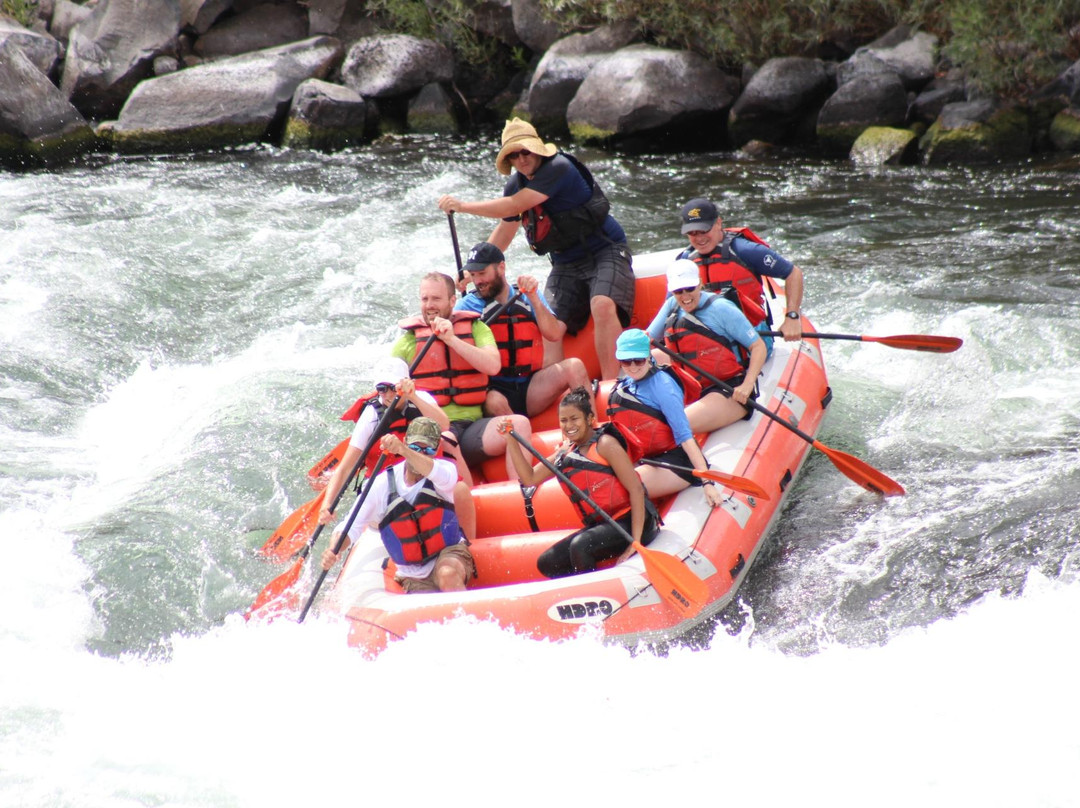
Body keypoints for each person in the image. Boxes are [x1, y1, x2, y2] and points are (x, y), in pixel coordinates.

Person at [438, 118, 634, 381]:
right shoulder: (515, 185)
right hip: (565, 261)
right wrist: (472, 271)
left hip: (605, 250)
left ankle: (612, 386)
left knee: (601, 304)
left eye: (526, 152)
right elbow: (506, 230)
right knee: (550, 325)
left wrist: (462, 206)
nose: (521, 159)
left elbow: (514, 205)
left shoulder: (559, 168)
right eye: (514, 155)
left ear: (538, 149)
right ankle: (562, 389)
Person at [501, 386, 659, 578]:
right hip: (606, 525)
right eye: (563, 420)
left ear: (589, 419)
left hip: (634, 521)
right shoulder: (564, 453)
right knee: (547, 562)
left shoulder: (605, 444)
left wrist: (635, 542)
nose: (569, 425)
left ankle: (595, 591)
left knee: (580, 545)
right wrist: (510, 440)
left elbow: (636, 489)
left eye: (574, 418)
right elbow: (530, 478)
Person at [317, 356, 476, 541]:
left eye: (393, 387)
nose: (387, 395)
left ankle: (467, 541)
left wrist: (412, 396)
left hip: (422, 476)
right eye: (381, 389)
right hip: (388, 486)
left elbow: (444, 425)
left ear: (406, 384)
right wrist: (327, 504)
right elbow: (346, 468)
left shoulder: (420, 398)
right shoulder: (371, 416)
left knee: (455, 469)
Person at [392, 271, 531, 481]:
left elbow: (493, 365)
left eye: (436, 298)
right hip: (433, 434)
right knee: (446, 438)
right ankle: (468, 495)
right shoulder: (407, 341)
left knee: (519, 424)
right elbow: (387, 389)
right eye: (425, 299)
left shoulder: (476, 328)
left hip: (473, 428)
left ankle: (522, 492)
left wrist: (452, 340)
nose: (429, 305)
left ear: (452, 301)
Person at [320, 417, 475, 593]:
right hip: (412, 573)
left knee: (447, 574)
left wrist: (404, 450)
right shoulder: (380, 485)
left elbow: (436, 472)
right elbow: (350, 526)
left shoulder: (445, 470)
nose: (422, 453)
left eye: (428, 449)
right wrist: (334, 549)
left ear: (437, 449)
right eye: (416, 448)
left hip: (450, 552)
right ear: (407, 442)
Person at [454, 240, 591, 418]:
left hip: (530, 385)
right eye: (473, 275)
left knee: (575, 366)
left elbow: (554, 334)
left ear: (501, 268)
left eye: (482, 273)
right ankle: (521, 433)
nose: (477, 281)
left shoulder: (527, 295)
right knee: (495, 401)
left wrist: (534, 299)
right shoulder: (466, 306)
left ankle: (592, 428)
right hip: (493, 388)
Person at [646, 259, 767, 434]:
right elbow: (647, 339)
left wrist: (747, 385)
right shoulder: (672, 305)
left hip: (727, 388)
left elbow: (758, 346)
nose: (685, 296)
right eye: (678, 291)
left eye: (690, 288)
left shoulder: (721, 308)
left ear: (700, 284)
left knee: (675, 425)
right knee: (651, 356)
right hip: (691, 386)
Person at [606, 329, 724, 508]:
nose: (633, 366)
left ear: (648, 356)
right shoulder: (628, 384)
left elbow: (685, 436)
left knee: (621, 488)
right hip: (647, 459)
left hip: (676, 460)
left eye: (638, 360)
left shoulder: (664, 387)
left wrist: (707, 482)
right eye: (626, 361)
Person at [677, 197, 806, 350]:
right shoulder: (685, 261)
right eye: (692, 233)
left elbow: (793, 273)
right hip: (710, 342)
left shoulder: (746, 250)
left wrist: (792, 317)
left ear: (718, 223)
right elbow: (672, 304)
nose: (699, 238)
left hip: (752, 339)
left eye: (704, 230)